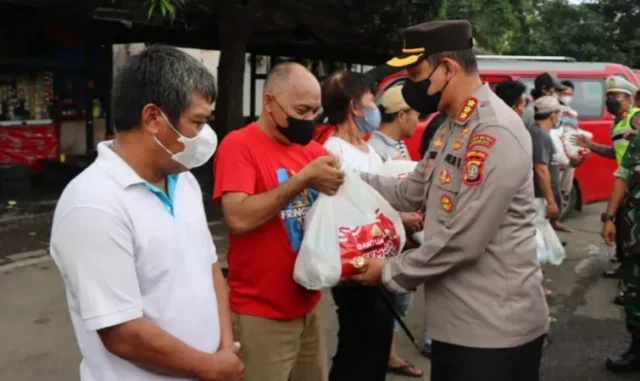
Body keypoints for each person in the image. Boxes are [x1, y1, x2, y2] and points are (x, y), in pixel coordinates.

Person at [351, 20, 549, 381]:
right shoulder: (452, 127)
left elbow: (463, 242)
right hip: (458, 325)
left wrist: (388, 272)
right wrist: (345, 180)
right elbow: (410, 191)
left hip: (493, 332)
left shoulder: (494, 131)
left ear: (447, 68)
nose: (409, 86)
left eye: (415, 74)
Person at [49, 45, 244, 381]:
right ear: (153, 118)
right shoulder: (93, 205)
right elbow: (122, 333)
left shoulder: (183, 181)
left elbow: (209, 265)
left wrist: (224, 347)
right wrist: (211, 367)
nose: (206, 136)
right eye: (197, 121)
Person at [213, 62, 344, 381]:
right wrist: (300, 181)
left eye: (315, 111)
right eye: (301, 110)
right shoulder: (238, 145)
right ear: (269, 102)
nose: (309, 120)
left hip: (308, 306)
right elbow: (238, 217)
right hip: (260, 313)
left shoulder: (311, 151)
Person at [319, 69, 423, 381]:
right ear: (354, 107)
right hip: (357, 263)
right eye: (370, 101)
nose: (375, 109)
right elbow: (347, 210)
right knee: (359, 341)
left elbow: (385, 194)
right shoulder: (334, 151)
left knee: (377, 340)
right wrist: (397, 217)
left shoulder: (368, 149)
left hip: (382, 258)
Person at [368, 85, 424, 378]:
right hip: (385, 241)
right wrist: (400, 218)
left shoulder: (398, 146)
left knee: (399, 301)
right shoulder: (374, 151)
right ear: (401, 115)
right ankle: (383, 357)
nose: (418, 120)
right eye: (415, 114)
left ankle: (387, 354)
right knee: (387, 304)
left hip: (403, 237)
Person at [575, 76, 640, 282]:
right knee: (623, 226)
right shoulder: (618, 123)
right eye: (609, 97)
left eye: (617, 96)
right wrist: (591, 146)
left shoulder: (635, 117)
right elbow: (617, 153)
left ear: (629, 99)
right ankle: (625, 266)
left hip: (635, 182)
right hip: (626, 181)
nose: (611, 100)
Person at [601, 131, 640, 373]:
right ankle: (636, 350)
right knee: (634, 293)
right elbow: (622, 176)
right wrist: (609, 217)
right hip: (634, 233)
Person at [530, 96, 562, 232]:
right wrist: (550, 201)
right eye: (559, 114)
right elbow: (540, 169)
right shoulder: (539, 134)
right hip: (538, 200)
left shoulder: (542, 133)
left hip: (542, 199)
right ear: (553, 115)